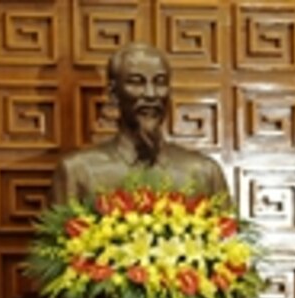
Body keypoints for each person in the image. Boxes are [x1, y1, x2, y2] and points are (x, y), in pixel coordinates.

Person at [52, 41, 229, 204]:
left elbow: (229, 236)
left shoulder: (204, 173)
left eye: (160, 83)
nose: (151, 94)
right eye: (137, 83)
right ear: (114, 94)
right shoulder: (78, 171)